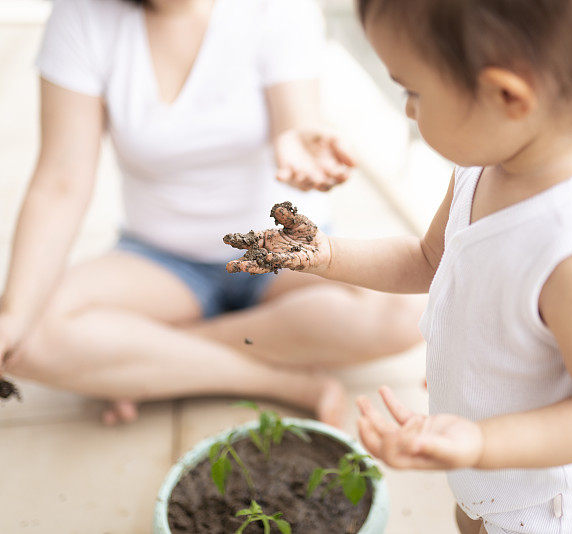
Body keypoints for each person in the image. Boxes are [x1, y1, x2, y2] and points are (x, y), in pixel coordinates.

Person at [224, 1, 572, 532]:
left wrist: (482, 441)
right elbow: (429, 259)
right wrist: (329, 255)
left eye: (413, 91)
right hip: (485, 472)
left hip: (550, 509)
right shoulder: (488, 164)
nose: (407, 110)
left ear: (505, 95)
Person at [0, 0, 423, 427]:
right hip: (161, 260)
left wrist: (303, 148)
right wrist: (12, 317)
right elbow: (60, 183)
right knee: (27, 337)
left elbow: (296, 122)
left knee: (408, 314)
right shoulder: (81, 15)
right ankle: (279, 382)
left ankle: (147, 362)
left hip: (279, 252)